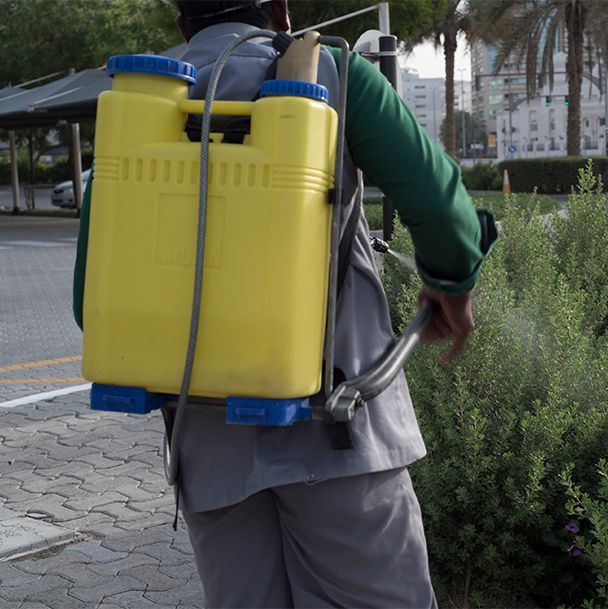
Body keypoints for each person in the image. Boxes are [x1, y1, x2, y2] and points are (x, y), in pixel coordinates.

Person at [72, 1, 495, 607]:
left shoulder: (141, 102)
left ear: (182, 24)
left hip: (208, 453)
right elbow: (442, 212)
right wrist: (451, 286)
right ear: (280, 10)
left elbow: (90, 304)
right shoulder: (335, 74)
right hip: (338, 436)